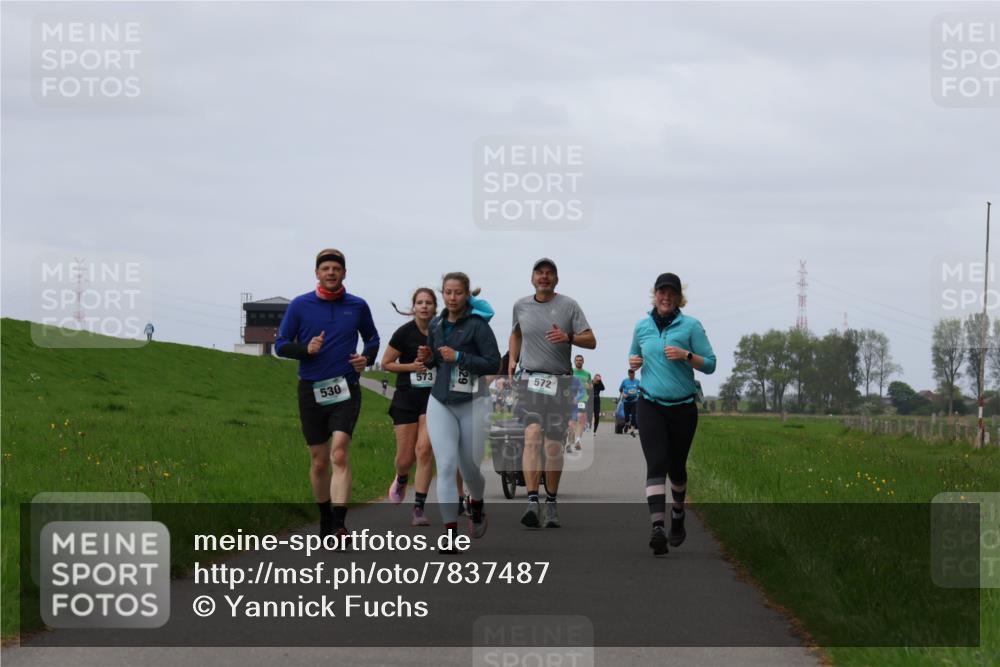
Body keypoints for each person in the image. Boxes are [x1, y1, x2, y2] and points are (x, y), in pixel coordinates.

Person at [275, 249, 379, 541]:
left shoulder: (357, 306)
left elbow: (372, 338)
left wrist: (366, 358)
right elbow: (280, 345)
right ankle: (324, 517)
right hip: (311, 388)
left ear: (344, 273)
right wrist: (305, 349)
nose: (331, 273)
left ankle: (339, 523)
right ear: (317, 273)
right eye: (326, 269)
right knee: (319, 460)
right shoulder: (300, 305)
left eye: (336, 268)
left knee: (339, 452)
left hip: (345, 387)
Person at [628, 272, 716, 556]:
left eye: (671, 293)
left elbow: (711, 365)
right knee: (656, 464)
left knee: (676, 468)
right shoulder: (642, 327)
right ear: (654, 294)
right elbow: (633, 358)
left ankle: (678, 514)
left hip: (682, 408)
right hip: (650, 404)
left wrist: (686, 355)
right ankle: (657, 527)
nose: (665, 297)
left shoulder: (690, 326)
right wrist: (633, 362)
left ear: (679, 297)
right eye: (661, 292)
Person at [509, 258, 596, 529]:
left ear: (556, 280)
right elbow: (516, 334)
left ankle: (551, 503)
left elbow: (591, 340)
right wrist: (512, 360)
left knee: (553, 445)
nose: (544, 277)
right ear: (532, 278)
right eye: (540, 273)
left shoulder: (569, 306)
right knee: (532, 437)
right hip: (531, 379)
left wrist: (569, 337)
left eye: (549, 274)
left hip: (559, 381)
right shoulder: (520, 305)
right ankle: (532, 501)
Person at [418, 273, 500, 552]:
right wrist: (427, 358)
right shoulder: (436, 324)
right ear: (442, 294)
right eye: (447, 293)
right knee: (446, 465)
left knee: (470, 468)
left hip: (474, 402)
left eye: (457, 293)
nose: (452, 298)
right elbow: (434, 361)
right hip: (441, 401)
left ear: (466, 295)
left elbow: (492, 363)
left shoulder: (478, 326)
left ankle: (476, 503)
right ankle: (450, 535)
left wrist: (461, 357)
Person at [381, 288, 438, 527]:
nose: (424, 306)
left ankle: (418, 508)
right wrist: (411, 367)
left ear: (435, 307)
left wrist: (433, 357)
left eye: (428, 303)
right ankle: (402, 477)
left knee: (424, 451)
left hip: (433, 398)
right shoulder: (403, 333)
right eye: (420, 302)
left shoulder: (441, 331)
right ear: (413, 307)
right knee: (405, 458)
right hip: (406, 397)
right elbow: (386, 364)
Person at [571, 354, 592, 448]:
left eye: (580, 360)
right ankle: (573, 437)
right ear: (574, 362)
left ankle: (578, 440)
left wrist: (589, 386)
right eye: (577, 360)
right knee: (572, 421)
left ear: (583, 362)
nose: (579, 361)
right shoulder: (571, 371)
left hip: (582, 398)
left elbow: (590, 386)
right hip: (571, 399)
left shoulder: (587, 374)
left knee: (581, 417)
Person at [619, 369, 641, 437]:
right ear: (628, 374)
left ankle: (632, 431)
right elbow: (620, 389)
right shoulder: (625, 381)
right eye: (630, 374)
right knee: (626, 416)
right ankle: (627, 424)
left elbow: (641, 389)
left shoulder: (637, 381)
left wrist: (638, 394)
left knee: (633, 415)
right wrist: (623, 394)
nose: (632, 375)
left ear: (634, 374)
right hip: (626, 401)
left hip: (634, 400)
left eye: (633, 374)